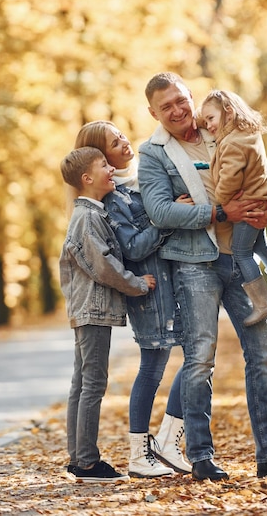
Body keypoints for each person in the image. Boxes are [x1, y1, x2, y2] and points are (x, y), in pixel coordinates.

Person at [138, 71, 267, 481]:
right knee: (200, 360)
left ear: (191, 96)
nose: (179, 110)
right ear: (154, 112)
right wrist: (218, 212)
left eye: (182, 100)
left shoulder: (220, 126)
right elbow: (161, 211)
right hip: (195, 263)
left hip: (241, 257)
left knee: (264, 356)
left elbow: (255, 174)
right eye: (167, 106)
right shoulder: (154, 153)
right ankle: (201, 458)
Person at [73, 121, 192, 477]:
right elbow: (132, 248)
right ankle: (141, 453)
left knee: (199, 354)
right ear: (100, 160)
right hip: (151, 291)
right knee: (154, 368)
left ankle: (167, 440)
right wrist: (167, 217)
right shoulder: (112, 200)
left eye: (122, 135)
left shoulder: (145, 177)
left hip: (175, 283)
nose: (124, 143)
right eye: (114, 143)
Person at [59, 145, 156, 483]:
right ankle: (86, 462)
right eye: (104, 165)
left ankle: (79, 457)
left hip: (87, 308)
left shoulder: (89, 213)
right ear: (88, 178)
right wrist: (138, 284)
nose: (111, 169)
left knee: (82, 382)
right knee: (93, 383)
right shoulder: (88, 217)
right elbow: (105, 267)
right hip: (93, 309)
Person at [198, 89, 267, 326]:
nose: (208, 125)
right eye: (205, 121)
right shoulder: (246, 133)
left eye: (211, 119)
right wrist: (203, 115)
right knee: (261, 245)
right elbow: (211, 114)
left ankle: (263, 303)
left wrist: (220, 199)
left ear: (229, 112)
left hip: (247, 204)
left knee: (241, 251)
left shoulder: (233, 144)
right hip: (259, 197)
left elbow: (230, 179)